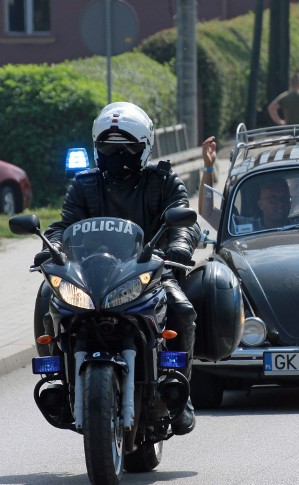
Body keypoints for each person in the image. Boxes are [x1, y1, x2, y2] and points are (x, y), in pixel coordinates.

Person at [33, 101, 200, 436]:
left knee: (181, 309)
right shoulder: (84, 185)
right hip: (91, 275)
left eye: (125, 149)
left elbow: (183, 217)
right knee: (47, 297)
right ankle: (57, 378)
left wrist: (179, 245)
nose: (115, 155)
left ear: (143, 148)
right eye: (107, 148)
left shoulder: (163, 180)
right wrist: (49, 248)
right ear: (97, 149)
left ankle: (179, 389)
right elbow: (64, 225)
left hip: (147, 273)